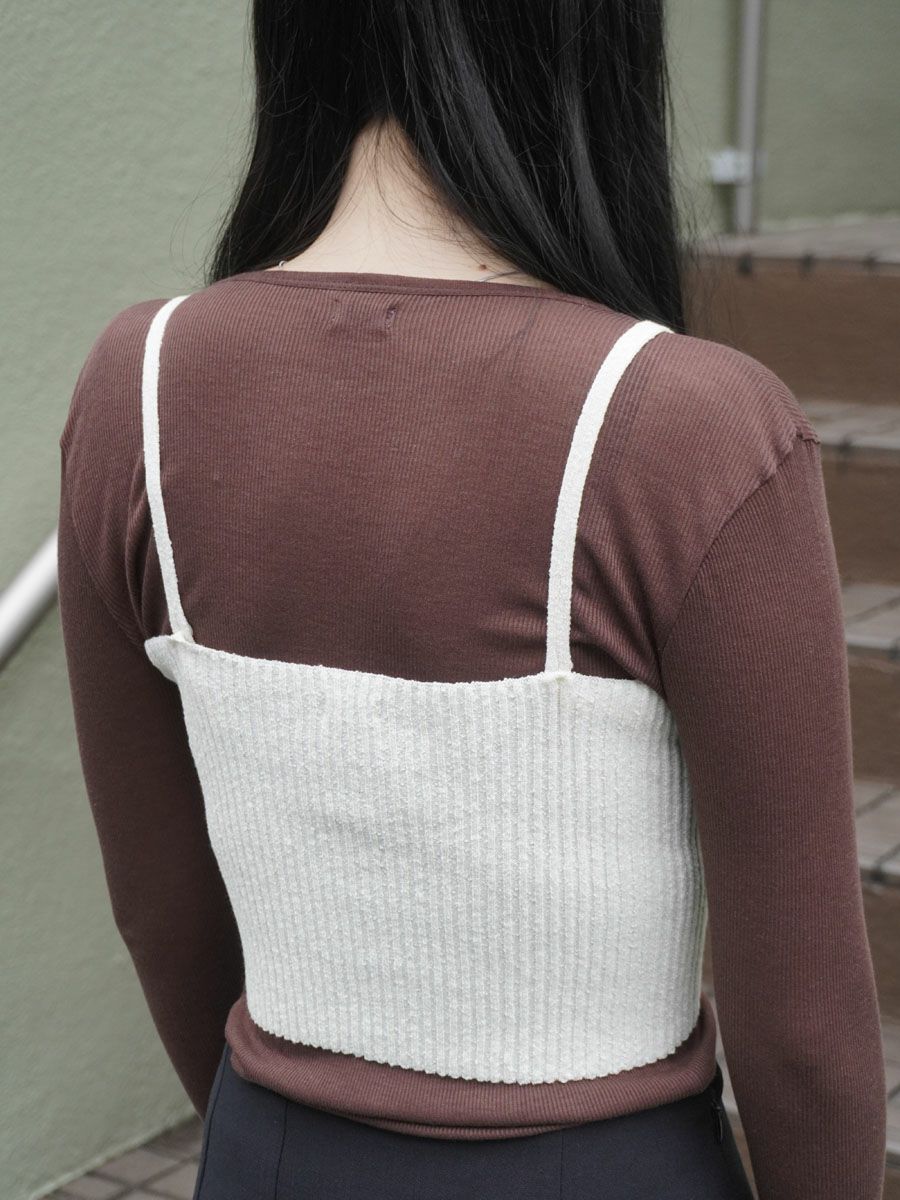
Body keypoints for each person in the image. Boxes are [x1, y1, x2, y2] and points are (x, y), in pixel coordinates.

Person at [56, 1, 886, 1197]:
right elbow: (802, 1035)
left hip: (270, 1150)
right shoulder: (689, 425)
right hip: (603, 1168)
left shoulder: (134, 383)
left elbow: (160, 910)